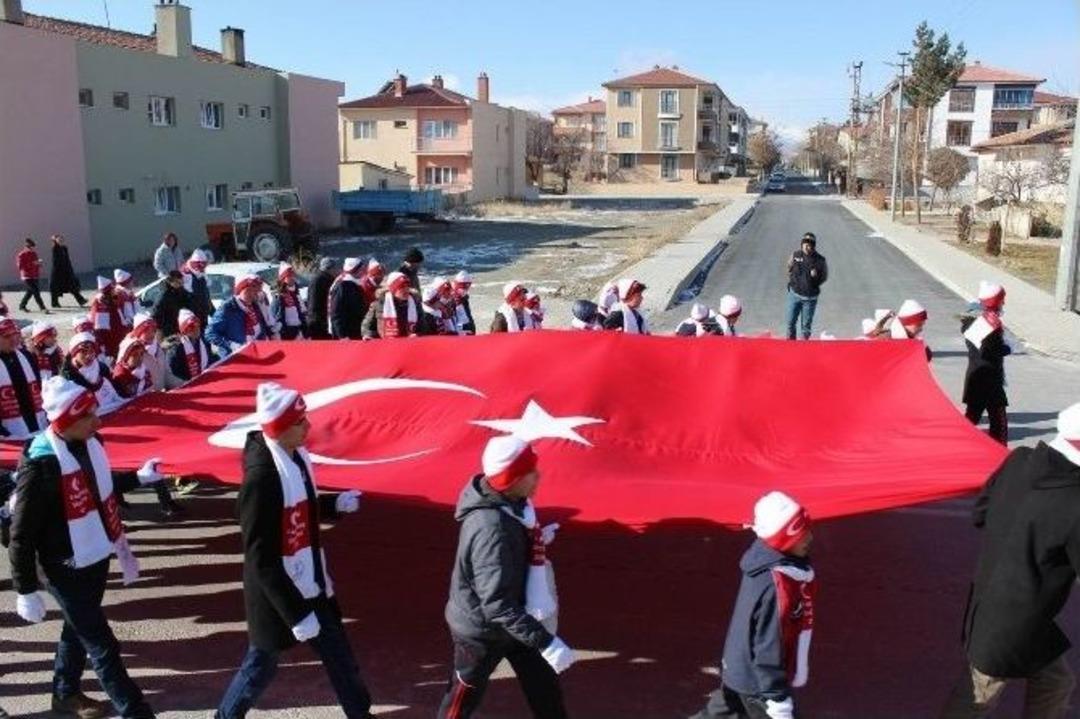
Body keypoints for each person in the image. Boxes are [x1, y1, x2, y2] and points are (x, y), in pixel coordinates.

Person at [9, 375, 165, 719]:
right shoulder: (41, 465)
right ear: (66, 421)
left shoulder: (91, 443)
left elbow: (101, 486)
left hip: (94, 552)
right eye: (88, 416)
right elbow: (21, 534)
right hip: (62, 566)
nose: (98, 421)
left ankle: (65, 693)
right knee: (102, 643)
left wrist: (138, 477)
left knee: (76, 628)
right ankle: (136, 711)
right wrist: (26, 589)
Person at [215, 383, 371, 719]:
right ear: (281, 428)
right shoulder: (262, 478)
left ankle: (360, 714)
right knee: (260, 666)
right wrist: (296, 614)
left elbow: (300, 507)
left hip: (311, 579)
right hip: (280, 593)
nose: (309, 427)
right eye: (301, 422)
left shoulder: (294, 456)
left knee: (341, 658)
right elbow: (260, 557)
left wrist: (332, 504)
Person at [939, 401, 1080, 719]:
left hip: (994, 606)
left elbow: (981, 514)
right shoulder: (1074, 501)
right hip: (1011, 626)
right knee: (977, 697)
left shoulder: (1020, 460)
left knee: (1055, 683)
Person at [437, 436, 575, 719]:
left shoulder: (514, 507)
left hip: (516, 621)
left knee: (545, 692)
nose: (539, 476)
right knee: (461, 700)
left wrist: (530, 543)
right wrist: (545, 641)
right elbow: (496, 603)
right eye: (531, 472)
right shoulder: (492, 530)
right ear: (512, 480)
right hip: (483, 633)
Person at [691, 491, 816, 719]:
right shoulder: (778, 587)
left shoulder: (761, 564)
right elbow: (768, 646)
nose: (810, 538)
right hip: (756, 683)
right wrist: (777, 698)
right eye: (800, 532)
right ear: (782, 539)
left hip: (738, 668)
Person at [961, 282, 1011, 445]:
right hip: (989, 379)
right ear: (996, 302)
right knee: (998, 420)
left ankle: (956, 444)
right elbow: (988, 350)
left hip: (975, 377)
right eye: (1002, 300)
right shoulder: (990, 324)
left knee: (971, 418)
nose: (1003, 303)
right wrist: (1005, 349)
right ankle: (1000, 453)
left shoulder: (974, 321)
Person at [0, 318, 46, 439]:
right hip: (8, 431)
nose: (14, 339)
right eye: (6, 336)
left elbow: (39, 387)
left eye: (15, 334)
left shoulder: (26, 355)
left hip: (35, 420)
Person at [207, 275, 272, 358]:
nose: (257, 293)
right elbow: (210, 333)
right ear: (243, 290)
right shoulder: (227, 308)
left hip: (255, 353)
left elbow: (260, 327)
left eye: (257, 290)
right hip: (235, 357)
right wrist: (231, 344)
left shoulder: (255, 305)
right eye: (253, 290)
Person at [62, 333, 125, 413]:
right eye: (83, 352)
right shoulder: (68, 379)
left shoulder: (102, 368)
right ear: (74, 354)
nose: (88, 356)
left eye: (91, 351)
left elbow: (116, 389)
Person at [784, 233, 827, 340]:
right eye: (805, 244)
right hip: (794, 295)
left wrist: (815, 277)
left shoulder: (820, 260)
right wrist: (792, 282)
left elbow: (823, 278)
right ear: (802, 244)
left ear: (814, 246)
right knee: (790, 323)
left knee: (805, 328)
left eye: (810, 245)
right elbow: (789, 267)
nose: (807, 247)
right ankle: (790, 348)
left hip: (810, 299)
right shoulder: (795, 255)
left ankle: (803, 352)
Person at [167, 309, 216, 386]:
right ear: (184, 330)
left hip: (206, 381)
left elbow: (210, 359)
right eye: (192, 327)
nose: (196, 329)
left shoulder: (203, 341)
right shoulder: (176, 348)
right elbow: (173, 374)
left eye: (198, 325)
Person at [90, 276, 130, 360]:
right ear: (108, 291)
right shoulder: (102, 307)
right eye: (112, 289)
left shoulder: (112, 301)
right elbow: (101, 329)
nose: (115, 290)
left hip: (119, 338)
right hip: (112, 344)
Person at [329, 258, 367, 340]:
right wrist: (342, 335)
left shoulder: (354, 284)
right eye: (362, 269)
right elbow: (336, 313)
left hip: (356, 330)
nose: (364, 272)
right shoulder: (342, 286)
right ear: (355, 270)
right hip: (347, 334)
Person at [373, 272, 419, 339]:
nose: (406, 289)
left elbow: (423, 327)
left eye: (408, 286)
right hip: (386, 343)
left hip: (410, 343)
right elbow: (368, 325)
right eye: (402, 287)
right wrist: (368, 335)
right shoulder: (380, 303)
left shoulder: (415, 303)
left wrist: (417, 334)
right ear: (393, 290)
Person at [128, 313, 167, 391]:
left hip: (163, 394)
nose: (152, 334)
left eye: (153, 330)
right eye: (147, 331)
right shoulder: (132, 353)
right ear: (139, 333)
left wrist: (183, 385)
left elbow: (167, 374)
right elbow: (134, 388)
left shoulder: (157, 348)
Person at [150, 271, 193, 339]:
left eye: (181, 282)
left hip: (179, 327)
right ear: (171, 282)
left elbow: (188, 303)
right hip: (168, 330)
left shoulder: (180, 291)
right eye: (178, 283)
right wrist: (159, 330)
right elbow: (156, 314)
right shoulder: (164, 295)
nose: (181, 284)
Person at [271, 263, 307, 340]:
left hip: (298, 331)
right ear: (283, 278)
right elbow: (276, 318)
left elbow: (300, 313)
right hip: (287, 334)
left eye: (293, 275)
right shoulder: (279, 296)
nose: (292, 278)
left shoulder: (295, 293)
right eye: (289, 276)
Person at [50, 235, 87, 308]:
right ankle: (54, 303)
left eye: (61, 239)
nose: (61, 240)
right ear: (55, 241)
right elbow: (55, 261)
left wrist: (70, 269)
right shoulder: (55, 248)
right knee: (56, 288)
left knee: (72, 286)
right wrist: (59, 270)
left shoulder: (64, 248)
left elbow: (67, 259)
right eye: (59, 239)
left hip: (67, 271)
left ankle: (81, 300)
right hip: (58, 272)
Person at [16, 238, 49, 314]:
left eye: (33, 247)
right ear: (27, 247)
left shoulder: (34, 253)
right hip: (26, 276)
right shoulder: (21, 254)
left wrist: (39, 264)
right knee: (36, 292)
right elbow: (20, 267)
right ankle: (42, 308)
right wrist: (33, 263)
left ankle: (22, 306)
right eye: (31, 247)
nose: (33, 249)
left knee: (30, 292)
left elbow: (37, 264)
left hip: (34, 276)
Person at [307, 257, 337, 341]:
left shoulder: (325, 278)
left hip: (323, 319)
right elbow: (313, 302)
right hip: (319, 322)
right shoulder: (318, 280)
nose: (336, 271)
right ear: (329, 268)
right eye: (334, 268)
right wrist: (317, 321)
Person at [183, 248, 213, 330]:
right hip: (192, 318)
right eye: (199, 265)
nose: (201, 267)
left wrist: (213, 312)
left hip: (203, 314)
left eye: (203, 265)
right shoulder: (187, 277)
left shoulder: (202, 276)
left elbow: (206, 296)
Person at [451, 270, 476, 335]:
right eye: (467, 286)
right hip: (463, 332)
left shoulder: (462, 297)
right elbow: (459, 320)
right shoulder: (456, 299)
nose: (468, 288)